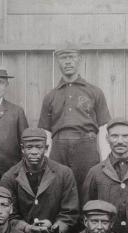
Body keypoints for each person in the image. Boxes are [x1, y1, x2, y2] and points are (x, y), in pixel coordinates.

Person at [0, 128, 79, 233]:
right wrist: (26, 227)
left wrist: (54, 226)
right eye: (29, 147)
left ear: (46, 148)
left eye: (39, 147)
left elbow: (70, 212)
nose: (34, 152)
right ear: (22, 149)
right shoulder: (10, 177)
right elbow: (8, 214)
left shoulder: (64, 173)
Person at [38, 48, 111, 187]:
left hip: (86, 146)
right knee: (59, 187)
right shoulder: (50, 96)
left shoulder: (94, 92)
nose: (68, 62)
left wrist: (105, 160)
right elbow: (45, 132)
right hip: (59, 147)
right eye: (63, 58)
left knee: (87, 188)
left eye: (71, 57)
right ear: (58, 62)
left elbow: (103, 128)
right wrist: (45, 161)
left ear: (79, 60)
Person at [81, 118, 128, 233]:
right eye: (114, 136)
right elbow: (87, 208)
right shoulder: (95, 172)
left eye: (125, 136)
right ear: (107, 138)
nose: (120, 141)